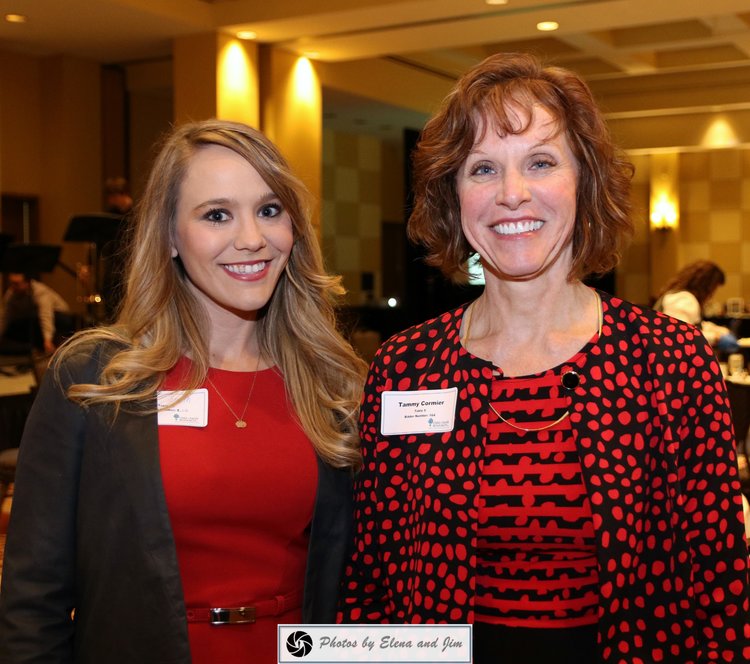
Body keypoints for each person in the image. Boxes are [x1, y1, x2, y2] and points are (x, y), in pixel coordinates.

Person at [337, 53, 750, 663]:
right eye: (482, 168)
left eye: (540, 161)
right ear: (455, 196)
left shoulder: (670, 360)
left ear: (584, 182)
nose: (511, 193)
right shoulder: (406, 366)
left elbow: (715, 592)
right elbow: (373, 575)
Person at [0, 119, 367, 663]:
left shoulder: (333, 382)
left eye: (269, 210)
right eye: (217, 214)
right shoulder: (95, 377)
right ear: (170, 236)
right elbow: (33, 597)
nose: (251, 238)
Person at [654, 259, 739, 353]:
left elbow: (694, 325)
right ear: (706, 285)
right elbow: (681, 336)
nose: (712, 295)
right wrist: (716, 338)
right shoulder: (684, 299)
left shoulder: (679, 297)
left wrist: (718, 330)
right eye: (713, 289)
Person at [0, 272, 72, 355]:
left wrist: (47, 340)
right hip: (34, 321)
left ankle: (48, 347)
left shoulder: (40, 291)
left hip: (59, 318)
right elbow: (4, 317)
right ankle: (33, 350)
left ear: (27, 282)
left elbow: (46, 315)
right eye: (11, 283)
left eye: (16, 284)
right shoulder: (11, 293)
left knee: (35, 319)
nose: (13, 286)